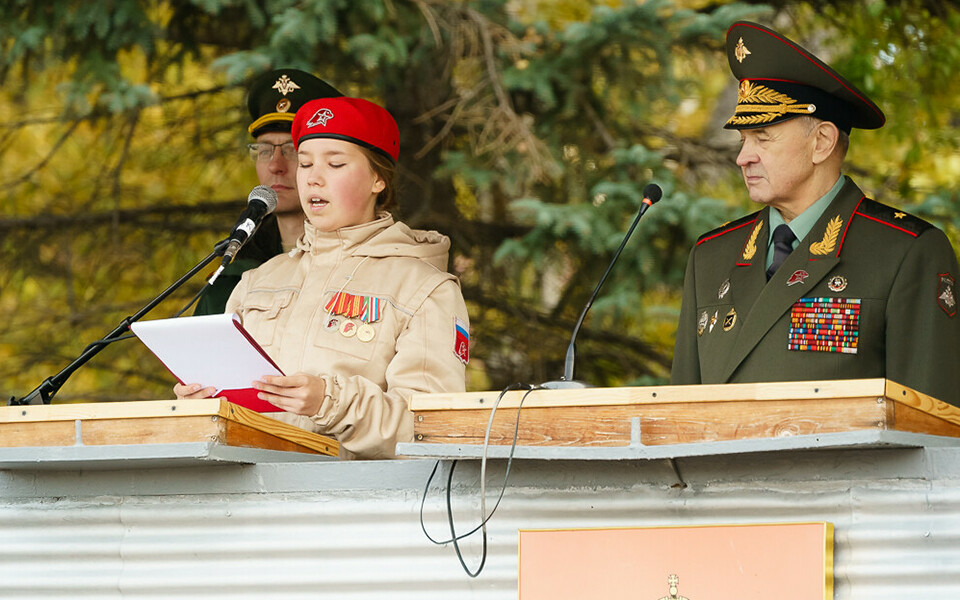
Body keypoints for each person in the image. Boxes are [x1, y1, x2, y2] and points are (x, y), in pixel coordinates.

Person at [671, 21, 960, 406]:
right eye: (743, 140)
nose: (742, 157)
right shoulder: (711, 256)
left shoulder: (905, 253)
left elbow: (931, 427)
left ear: (821, 141)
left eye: (763, 138)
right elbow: (681, 415)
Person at [178, 95, 471, 459]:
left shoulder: (424, 288)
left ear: (378, 178)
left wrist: (329, 402)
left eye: (334, 164)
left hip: (351, 506)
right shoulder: (257, 281)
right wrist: (199, 406)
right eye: (305, 164)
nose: (313, 179)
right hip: (244, 499)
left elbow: (433, 429)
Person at [194, 68, 343, 315]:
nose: (275, 165)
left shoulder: (362, 264)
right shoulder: (231, 278)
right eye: (264, 150)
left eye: (292, 150)